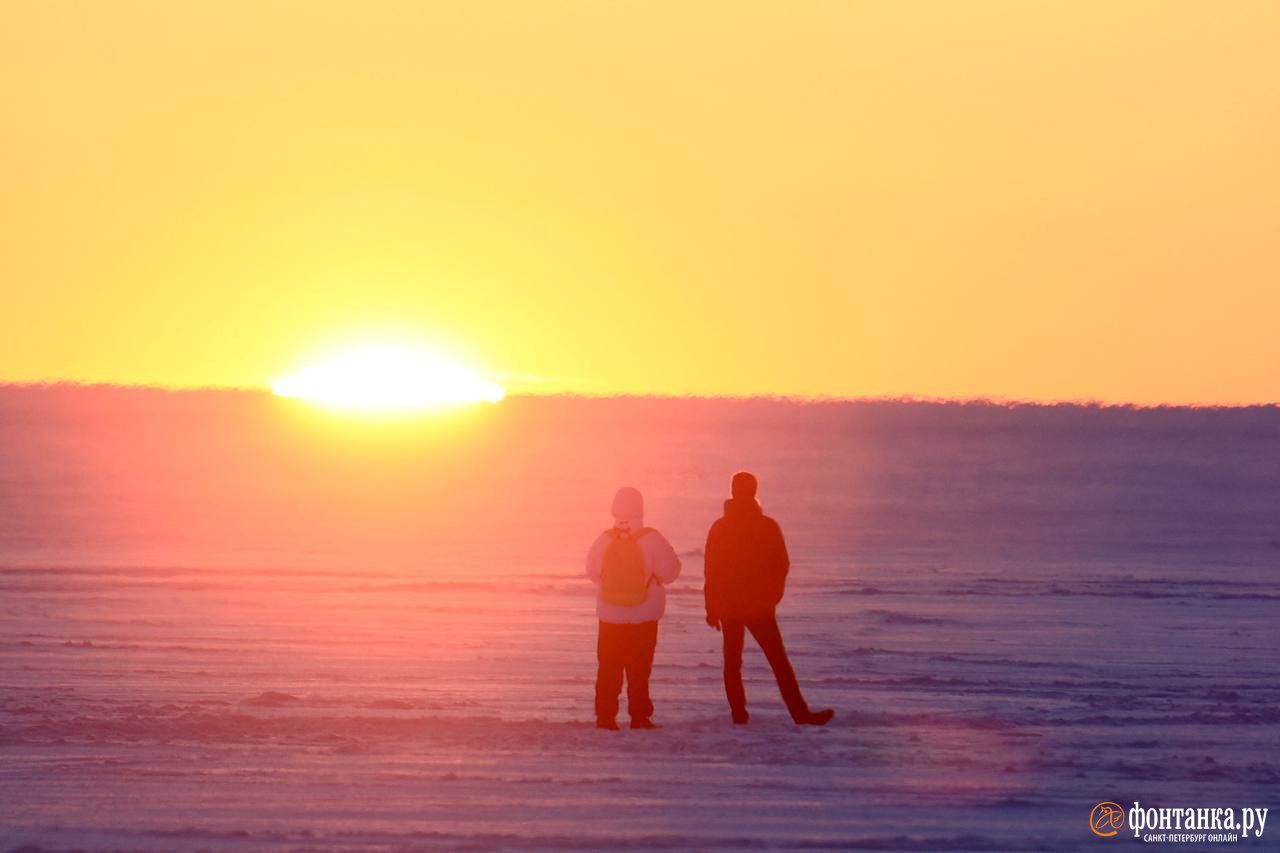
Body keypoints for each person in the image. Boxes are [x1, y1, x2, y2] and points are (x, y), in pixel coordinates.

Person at [704, 471, 834, 726]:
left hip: (733, 606)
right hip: (757, 607)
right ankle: (799, 713)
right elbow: (781, 565)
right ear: (754, 491)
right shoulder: (766, 526)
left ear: (733, 491)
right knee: (778, 662)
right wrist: (771, 597)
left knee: (733, 664)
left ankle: (739, 717)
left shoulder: (721, 527)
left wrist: (712, 608)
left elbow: (711, 570)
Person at [585, 486, 681, 730]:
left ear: (614, 509)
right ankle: (640, 716)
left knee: (608, 666)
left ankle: (605, 717)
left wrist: (612, 588)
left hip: (610, 615)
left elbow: (592, 571)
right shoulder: (652, 538)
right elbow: (671, 572)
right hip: (644, 615)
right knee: (639, 668)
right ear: (641, 509)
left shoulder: (604, 539)